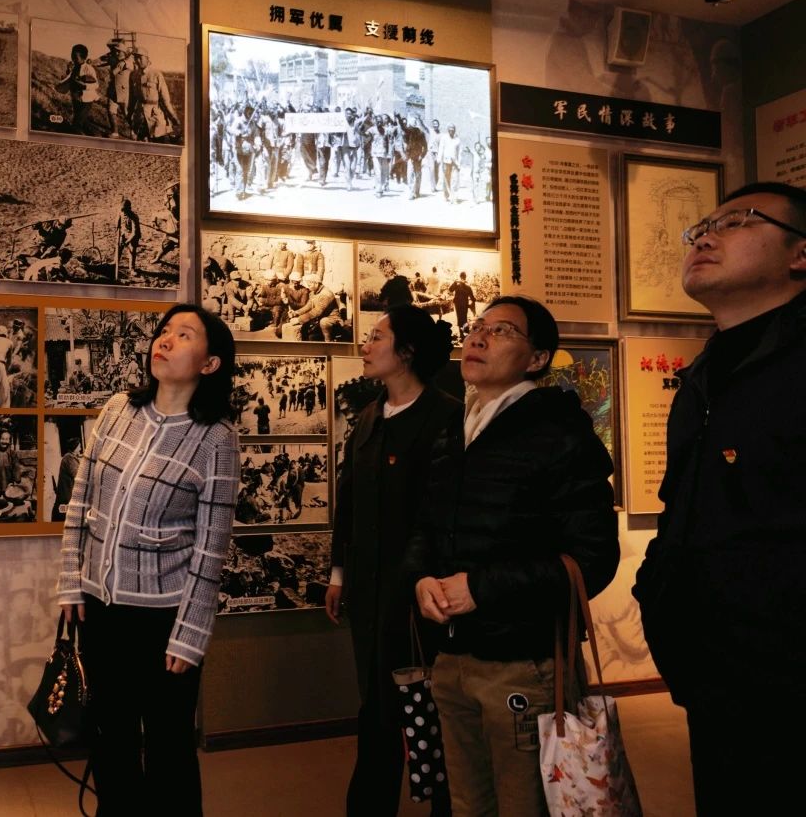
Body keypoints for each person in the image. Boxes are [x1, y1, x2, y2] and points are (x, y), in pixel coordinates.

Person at [404, 295, 618, 817]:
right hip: (451, 657)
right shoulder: (456, 428)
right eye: (477, 326)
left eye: (501, 330)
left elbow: (593, 558)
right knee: (466, 804)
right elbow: (427, 524)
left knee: (525, 805)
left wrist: (479, 588)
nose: (478, 336)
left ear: (537, 358)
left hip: (523, 663)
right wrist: (421, 577)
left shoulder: (559, 432)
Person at [633, 182, 806, 815]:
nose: (706, 235)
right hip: (715, 673)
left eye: (738, 221)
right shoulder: (705, 375)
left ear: (800, 254)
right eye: (702, 226)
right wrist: (658, 593)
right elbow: (683, 503)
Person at [56, 304, 239, 816]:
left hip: (163, 621)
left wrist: (191, 633)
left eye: (184, 335)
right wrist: (71, 579)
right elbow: (80, 501)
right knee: (110, 740)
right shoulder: (118, 408)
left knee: (168, 749)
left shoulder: (216, 438)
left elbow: (211, 548)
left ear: (210, 363)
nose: (165, 340)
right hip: (99, 610)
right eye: (164, 331)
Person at [326, 305, 459, 817]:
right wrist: (338, 573)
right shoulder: (368, 416)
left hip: (422, 595)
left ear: (406, 351)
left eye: (377, 337)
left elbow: (442, 513)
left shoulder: (446, 416)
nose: (365, 345)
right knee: (377, 707)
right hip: (368, 591)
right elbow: (349, 501)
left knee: (430, 708)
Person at [134, 52, 179, 144]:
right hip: (140, 115)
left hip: (154, 114)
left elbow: (165, 99)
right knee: (141, 143)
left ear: (147, 59)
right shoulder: (136, 75)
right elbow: (134, 97)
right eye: (136, 58)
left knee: (158, 140)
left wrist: (173, 116)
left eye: (140, 58)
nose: (138, 60)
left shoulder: (156, 74)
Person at [56, 43, 100, 135]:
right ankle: (94, 135)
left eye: (75, 57)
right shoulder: (74, 67)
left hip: (87, 99)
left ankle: (78, 136)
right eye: (72, 55)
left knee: (77, 122)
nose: (73, 58)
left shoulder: (89, 69)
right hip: (76, 97)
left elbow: (96, 85)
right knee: (81, 119)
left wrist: (84, 86)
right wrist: (68, 71)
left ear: (83, 58)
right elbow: (68, 78)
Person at [50, 434, 83, 522]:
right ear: (75, 447)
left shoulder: (70, 457)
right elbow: (78, 475)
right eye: (79, 447)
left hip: (67, 494)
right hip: (67, 495)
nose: (80, 449)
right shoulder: (68, 458)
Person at [446, 271, 476, 341]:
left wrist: (455, 283)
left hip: (458, 304)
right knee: (464, 317)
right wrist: (472, 304)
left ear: (460, 276)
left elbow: (450, 290)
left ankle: (462, 334)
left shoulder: (456, 283)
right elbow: (472, 298)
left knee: (460, 318)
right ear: (465, 277)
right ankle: (464, 333)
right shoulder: (467, 286)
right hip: (464, 304)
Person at [116, 199, 141, 274]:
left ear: (129, 209)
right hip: (124, 232)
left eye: (125, 210)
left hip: (134, 236)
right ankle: (115, 262)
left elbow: (134, 233)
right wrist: (118, 228)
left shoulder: (134, 217)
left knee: (132, 251)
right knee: (119, 247)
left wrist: (127, 242)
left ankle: (132, 268)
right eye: (122, 210)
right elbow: (118, 219)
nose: (123, 212)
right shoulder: (121, 212)